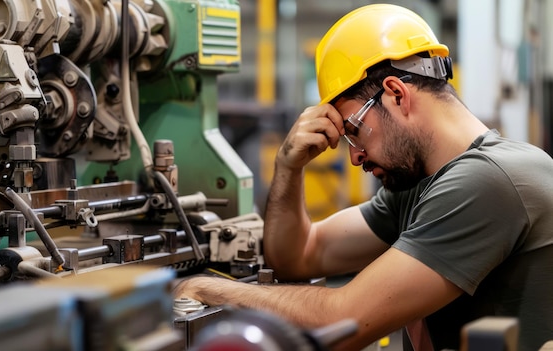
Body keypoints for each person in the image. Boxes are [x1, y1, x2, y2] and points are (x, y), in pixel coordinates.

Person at [174, 3, 553, 350]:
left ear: (396, 94)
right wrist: (289, 167)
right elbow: (300, 256)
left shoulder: (487, 181)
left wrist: (201, 288)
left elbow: (342, 322)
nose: (354, 156)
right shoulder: (421, 186)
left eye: (353, 129)